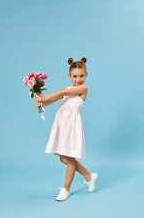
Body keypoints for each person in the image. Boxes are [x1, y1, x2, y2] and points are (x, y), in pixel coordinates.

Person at [35, 57, 98, 201]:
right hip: (61, 125)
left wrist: (46, 97)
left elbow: (57, 95)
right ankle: (89, 176)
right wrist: (39, 100)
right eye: (75, 76)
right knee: (63, 158)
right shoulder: (66, 89)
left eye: (81, 76)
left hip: (72, 126)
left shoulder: (83, 88)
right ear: (69, 76)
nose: (78, 79)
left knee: (70, 158)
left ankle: (66, 189)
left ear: (86, 75)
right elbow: (46, 103)